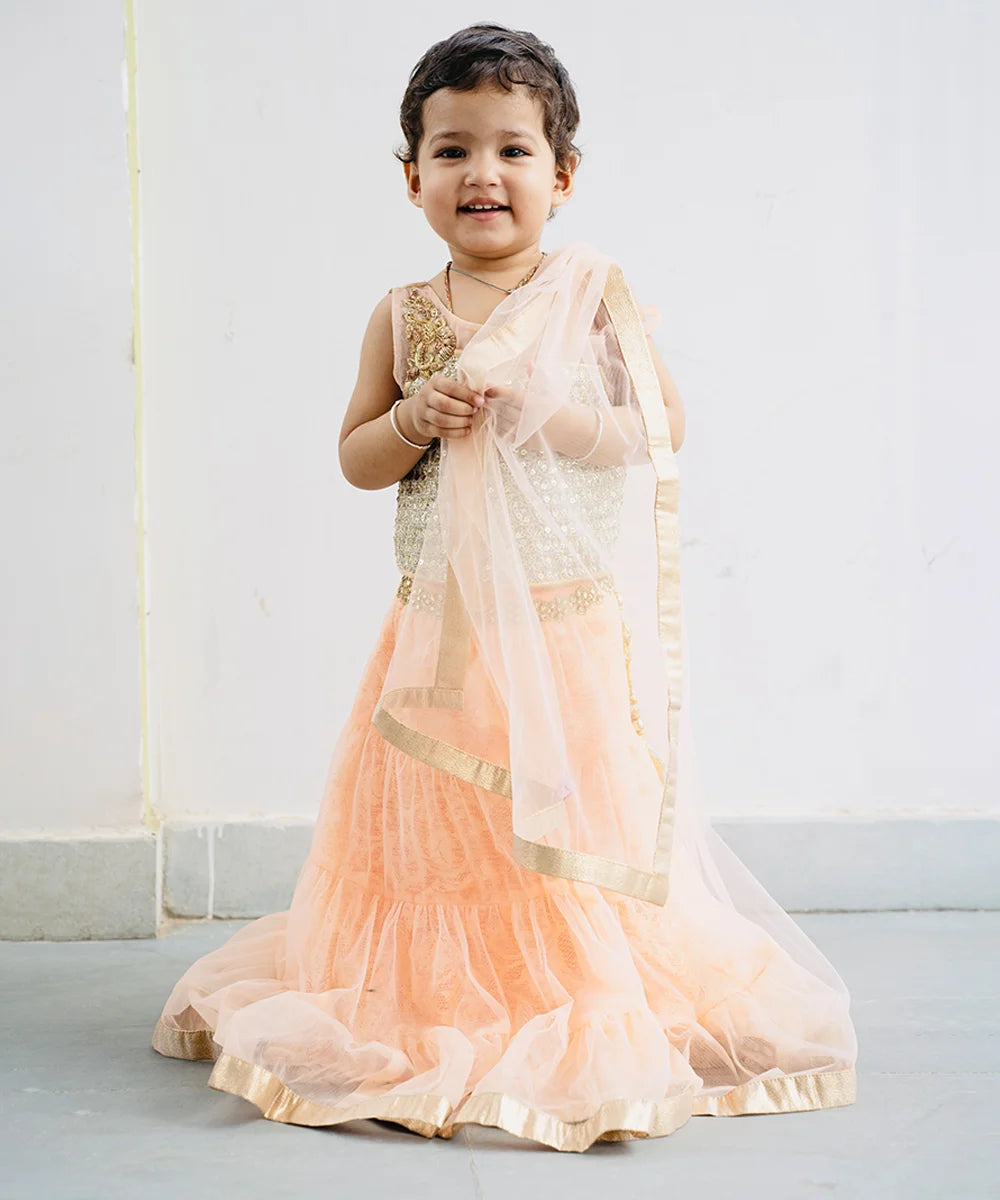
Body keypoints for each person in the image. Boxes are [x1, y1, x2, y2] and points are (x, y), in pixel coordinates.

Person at [152, 22, 858, 1152]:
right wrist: (409, 418)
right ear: (412, 179)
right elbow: (356, 459)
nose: (483, 173)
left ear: (563, 175)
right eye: (452, 150)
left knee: (570, 819)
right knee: (441, 823)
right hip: (443, 637)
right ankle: (437, 993)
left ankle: (574, 978)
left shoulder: (591, 295)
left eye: (513, 150)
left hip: (564, 631)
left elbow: (659, 430)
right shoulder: (404, 314)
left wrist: (555, 414)